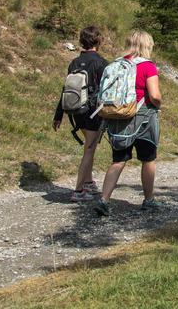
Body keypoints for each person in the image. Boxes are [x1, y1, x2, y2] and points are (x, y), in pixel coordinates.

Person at [95, 30, 162, 216]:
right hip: (144, 117)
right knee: (148, 159)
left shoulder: (116, 63)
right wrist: (159, 104)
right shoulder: (148, 66)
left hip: (118, 116)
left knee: (118, 160)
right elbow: (154, 95)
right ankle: (149, 200)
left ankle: (104, 199)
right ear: (146, 45)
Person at [53, 25, 108, 202]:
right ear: (99, 41)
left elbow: (66, 88)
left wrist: (58, 115)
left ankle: (89, 182)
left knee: (88, 145)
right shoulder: (101, 63)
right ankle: (78, 191)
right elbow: (106, 90)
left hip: (76, 110)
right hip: (93, 111)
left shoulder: (74, 62)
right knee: (90, 149)